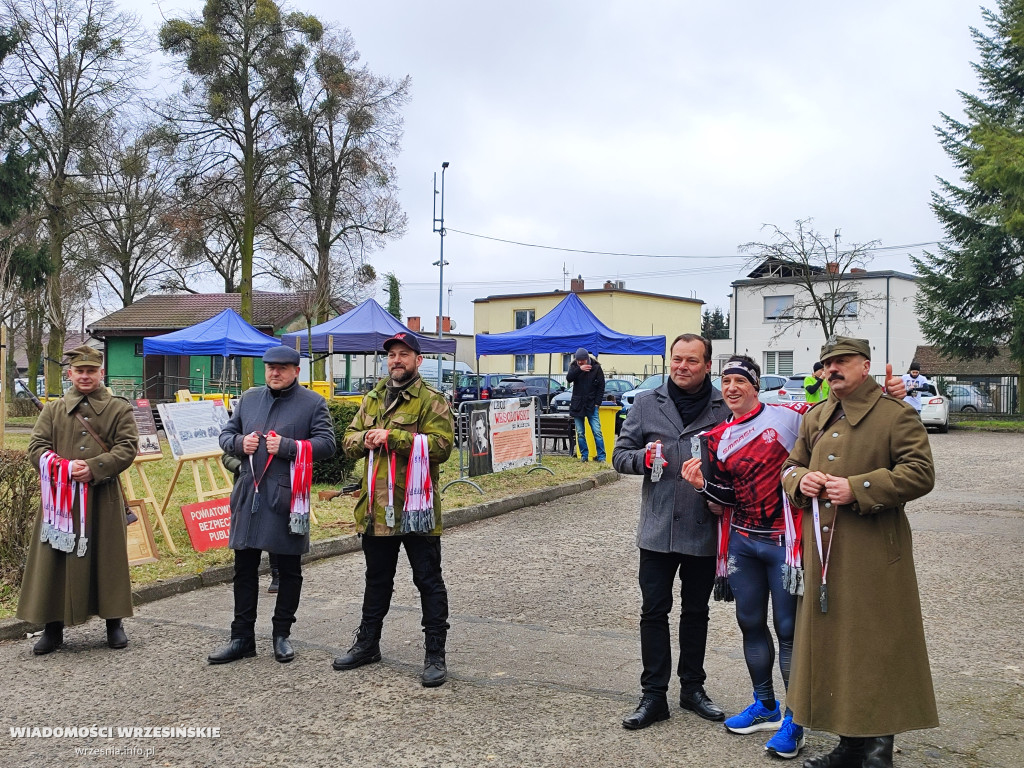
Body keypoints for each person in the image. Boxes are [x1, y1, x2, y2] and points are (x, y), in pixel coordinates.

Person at [781, 337, 937, 768]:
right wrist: (801, 482)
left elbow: (921, 473)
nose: (833, 369)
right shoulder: (815, 416)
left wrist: (859, 486)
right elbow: (790, 466)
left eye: (843, 361)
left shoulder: (894, 415)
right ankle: (849, 745)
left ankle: (877, 749)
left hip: (873, 555)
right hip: (824, 552)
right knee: (834, 648)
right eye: (828, 362)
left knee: (874, 646)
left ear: (864, 366)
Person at [681, 355, 813, 758]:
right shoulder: (717, 436)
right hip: (742, 541)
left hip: (783, 541)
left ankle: (797, 718)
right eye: (727, 380)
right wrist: (703, 485)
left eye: (741, 380)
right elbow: (728, 497)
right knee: (749, 622)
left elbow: (838, 411)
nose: (733, 387)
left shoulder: (791, 416)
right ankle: (766, 706)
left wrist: (894, 393)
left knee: (788, 629)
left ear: (756, 385)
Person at [611, 333, 730, 730]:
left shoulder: (724, 407)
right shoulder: (646, 403)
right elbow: (619, 456)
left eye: (692, 361)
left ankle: (693, 689)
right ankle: (653, 695)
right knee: (653, 612)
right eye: (677, 359)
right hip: (659, 528)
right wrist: (642, 460)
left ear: (708, 365)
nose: (682, 367)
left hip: (704, 527)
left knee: (696, 612)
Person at [333, 332, 456, 687]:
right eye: (392, 355)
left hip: (416, 507)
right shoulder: (373, 397)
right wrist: (365, 438)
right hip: (376, 508)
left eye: (404, 354)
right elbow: (348, 440)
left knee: (428, 581)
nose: (396, 360)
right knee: (377, 580)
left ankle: (435, 654)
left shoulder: (431, 400)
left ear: (419, 360)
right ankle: (368, 644)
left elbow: (442, 446)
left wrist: (394, 438)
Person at [209, 345, 336, 665]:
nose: (275, 373)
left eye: (282, 368)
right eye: (270, 368)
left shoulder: (312, 403)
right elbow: (226, 434)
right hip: (248, 495)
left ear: (296, 371)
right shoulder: (250, 398)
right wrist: (240, 444)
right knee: (244, 569)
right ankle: (242, 638)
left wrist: (290, 447)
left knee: (289, 570)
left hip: (286, 498)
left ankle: (282, 635)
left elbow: (327, 444)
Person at [18, 346, 140, 654]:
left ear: (101, 373)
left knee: (107, 560)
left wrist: (96, 467)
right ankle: (52, 628)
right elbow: (36, 448)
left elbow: (127, 447)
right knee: (54, 561)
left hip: (102, 498)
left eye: (91, 371)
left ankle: (114, 623)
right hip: (60, 500)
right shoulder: (53, 410)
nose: (85, 376)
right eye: (79, 371)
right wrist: (65, 467)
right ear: (70, 374)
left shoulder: (118, 408)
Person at [566, 347, 606, 463]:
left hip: (591, 405)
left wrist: (597, 403)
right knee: (580, 432)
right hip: (578, 404)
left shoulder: (596, 368)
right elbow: (569, 378)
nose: (579, 362)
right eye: (578, 360)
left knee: (597, 431)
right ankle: (584, 456)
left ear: (586, 358)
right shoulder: (574, 366)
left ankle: (601, 457)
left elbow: (601, 387)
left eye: (581, 361)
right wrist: (580, 369)